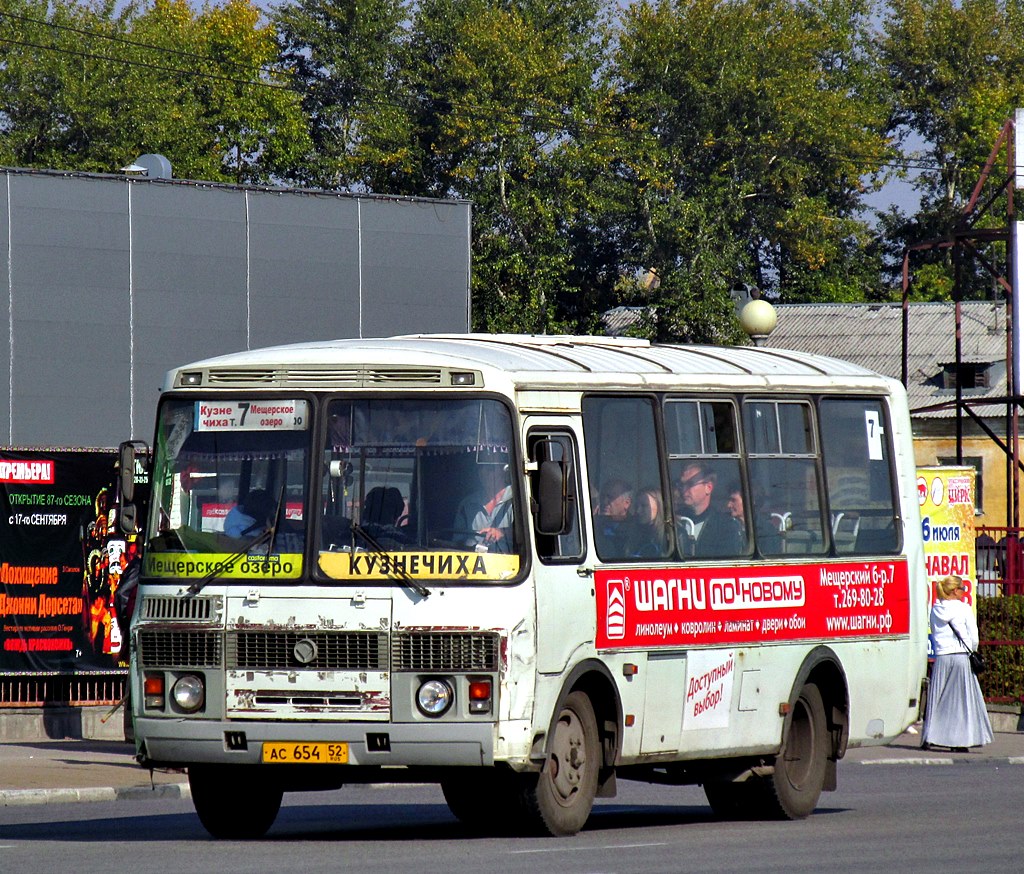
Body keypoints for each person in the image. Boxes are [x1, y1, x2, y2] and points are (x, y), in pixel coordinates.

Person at [921, 574, 993, 752]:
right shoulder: (964, 609)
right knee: (961, 701)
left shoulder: (935, 609)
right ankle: (959, 742)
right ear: (954, 591)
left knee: (937, 698)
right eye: (962, 588)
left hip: (943, 656)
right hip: (961, 657)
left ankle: (929, 737)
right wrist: (973, 649)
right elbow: (973, 637)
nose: (964, 592)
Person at [677, 462, 744, 557]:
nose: (683, 489)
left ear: (708, 487)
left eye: (690, 484)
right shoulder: (674, 522)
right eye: (681, 485)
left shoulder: (726, 526)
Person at [454, 462, 514, 552]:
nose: (483, 472)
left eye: (490, 468)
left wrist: (502, 533)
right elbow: (457, 543)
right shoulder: (467, 504)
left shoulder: (519, 500)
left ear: (504, 470)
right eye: (480, 467)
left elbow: (528, 534)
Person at [594, 478, 634, 557]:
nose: (604, 502)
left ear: (627, 503)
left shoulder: (635, 529)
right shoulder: (592, 524)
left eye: (610, 497)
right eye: (602, 496)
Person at [630, 485, 669, 557]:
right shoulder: (632, 532)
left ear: (659, 506)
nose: (638, 511)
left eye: (644, 506)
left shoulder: (672, 535)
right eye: (636, 506)